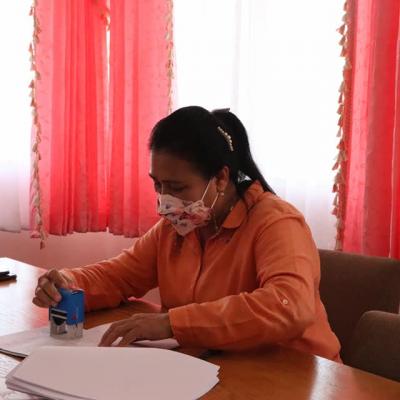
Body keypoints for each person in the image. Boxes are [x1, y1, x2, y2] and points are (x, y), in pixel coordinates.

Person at [32, 106, 341, 361]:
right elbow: (117, 276)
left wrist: (173, 324)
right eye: (157, 184)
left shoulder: (276, 222)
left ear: (220, 178)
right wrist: (68, 282)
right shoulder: (177, 228)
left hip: (297, 375)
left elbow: (289, 305)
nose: (164, 199)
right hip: (216, 367)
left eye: (177, 187)